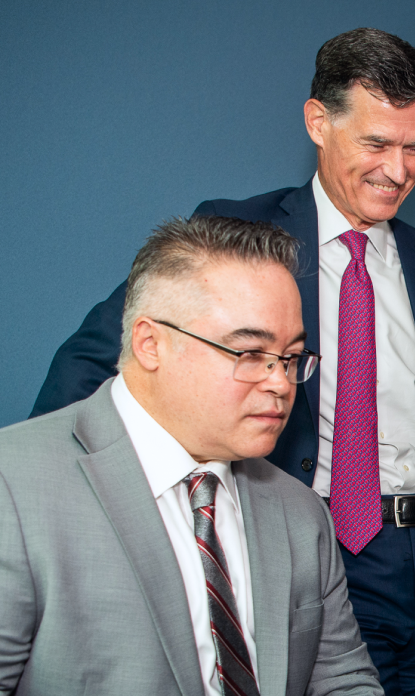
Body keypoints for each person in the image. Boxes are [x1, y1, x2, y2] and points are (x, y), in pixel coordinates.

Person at [28, 28, 415, 695]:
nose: (397, 170)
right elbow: (93, 360)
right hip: (318, 548)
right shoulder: (237, 233)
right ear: (319, 121)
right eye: (376, 143)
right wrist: (62, 506)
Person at [0, 217, 383, 696]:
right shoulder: (12, 487)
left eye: (290, 357)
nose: (280, 382)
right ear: (151, 343)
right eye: (249, 352)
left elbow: (342, 678)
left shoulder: (300, 512)